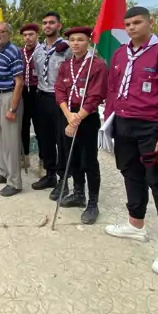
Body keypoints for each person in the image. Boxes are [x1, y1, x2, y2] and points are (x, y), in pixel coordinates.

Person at [104, 6, 158, 276]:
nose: (132, 28)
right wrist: (109, 122)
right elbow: (113, 88)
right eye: (128, 23)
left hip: (153, 127)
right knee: (130, 174)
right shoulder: (119, 54)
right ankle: (135, 223)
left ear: (150, 23)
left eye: (137, 22)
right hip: (124, 124)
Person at [54, 26, 108, 225]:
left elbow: (96, 95)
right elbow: (59, 90)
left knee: (89, 161)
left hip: (86, 117)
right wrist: (69, 116)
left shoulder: (97, 65)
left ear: (88, 42)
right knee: (72, 156)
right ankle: (78, 194)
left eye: (81, 40)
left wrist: (77, 119)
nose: (76, 43)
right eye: (73, 40)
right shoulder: (65, 65)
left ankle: (93, 202)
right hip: (67, 114)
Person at [32, 12, 70, 198]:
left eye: (51, 23)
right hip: (42, 97)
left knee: (61, 141)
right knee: (44, 139)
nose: (47, 26)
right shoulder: (38, 50)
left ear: (59, 26)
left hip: (60, 100)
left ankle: (64, 180)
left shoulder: (68, 48)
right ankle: (50, 174)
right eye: (45, 23)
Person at [0, 22, 24, 197]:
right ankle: (3, 172)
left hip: (9, 97)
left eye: (2, 32)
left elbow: (19, 81)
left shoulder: (13, 51)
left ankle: (15, 182)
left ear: (9, 34)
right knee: (0, 140)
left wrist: (13, 108)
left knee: (10, 142)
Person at [19, 23, 40, 159]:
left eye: (31, 34)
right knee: (23, 126)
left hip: (38, 92)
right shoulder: (20, 52)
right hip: (23, 91)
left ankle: (44, 158)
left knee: (40, 127)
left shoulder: (43, 51)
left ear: (37, 35)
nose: (28, 38)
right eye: (25, 35)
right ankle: (24, 156)